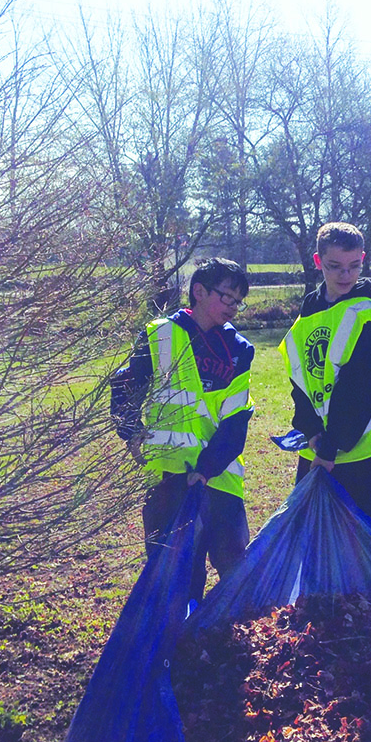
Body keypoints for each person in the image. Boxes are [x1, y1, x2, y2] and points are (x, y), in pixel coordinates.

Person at [110, 258, 255, 602]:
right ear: (199, 292)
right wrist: (130, 429)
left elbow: (236, 422)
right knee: (173, 572)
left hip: (219, 478)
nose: (233, 308)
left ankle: (226, 642)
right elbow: (125, 384)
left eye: (238, 301)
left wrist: (205, 470)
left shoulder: (240, 351)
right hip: (168, 477)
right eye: (227, 297)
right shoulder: (160, 334)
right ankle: (176, 644)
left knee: (235, 566)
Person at [279, 222, 371, 530]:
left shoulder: (370, 310)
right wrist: (311, 430)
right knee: (313, 541)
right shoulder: (310, 308)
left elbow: (362, 387)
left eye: (354, 266)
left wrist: (331, 446)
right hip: (317, 445)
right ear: (318, 262)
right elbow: (301, 375)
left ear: (363, 260)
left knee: (366, 549)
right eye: (335, 266)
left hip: (364, 450)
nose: (346, 276)